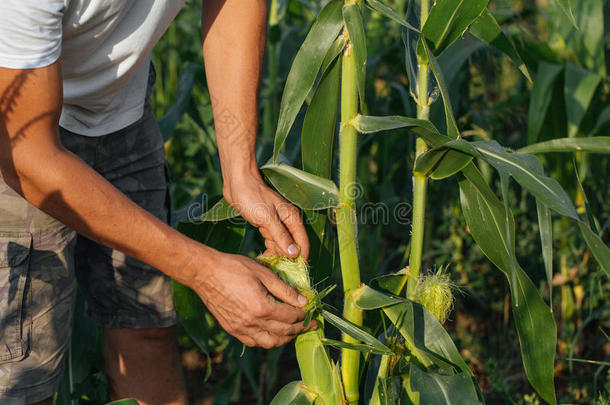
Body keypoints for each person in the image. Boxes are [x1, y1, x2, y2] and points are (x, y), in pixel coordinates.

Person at [0, 1, 314, 404]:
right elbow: (28, 157)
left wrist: (241, 172)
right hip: (18, 137)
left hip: (121, 111)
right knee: (25, 375)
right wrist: (203, 272)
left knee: (146, 327)